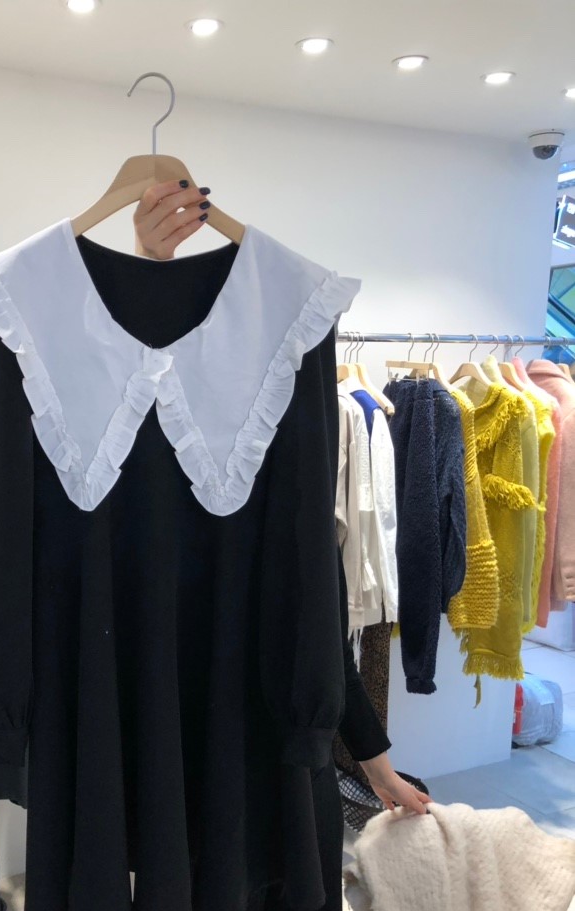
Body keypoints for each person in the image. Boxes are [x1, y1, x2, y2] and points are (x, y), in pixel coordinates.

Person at [133, 179, 428, 817]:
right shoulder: (104, 425)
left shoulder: (292, 392)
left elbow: (314, 597)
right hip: (159, 743)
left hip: (270, 752)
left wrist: (375, 762)